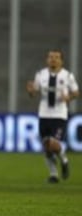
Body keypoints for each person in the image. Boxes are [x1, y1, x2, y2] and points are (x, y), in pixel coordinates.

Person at [26, 49, 79, 183]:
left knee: (53, 143)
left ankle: (64, 160)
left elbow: (76, 92)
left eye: (56, 57)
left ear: (61, 60)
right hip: (44, 114)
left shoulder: (67, 76)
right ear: (47, 59)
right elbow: (34, 93)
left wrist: (69, 97)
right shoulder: (41, 74)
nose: (53, 59)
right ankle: (53, 175)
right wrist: (31, 91)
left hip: (59, 115)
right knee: (46, 147)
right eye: (50, 57)